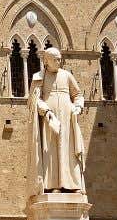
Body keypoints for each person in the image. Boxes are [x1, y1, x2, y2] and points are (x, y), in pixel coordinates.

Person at [28, 47, 87, 196]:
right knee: (51, 152)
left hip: (67, 119)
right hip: (50, 120)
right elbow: (35, 99)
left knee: (68, 150)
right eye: (55, 59)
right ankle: (53, 185)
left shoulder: (66, 76)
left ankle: (72, 184)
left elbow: (78, 94)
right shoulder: (39, 77)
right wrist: (46, 111)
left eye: (60, 59)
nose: (59, 61)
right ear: (46, 61)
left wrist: (78, 107)